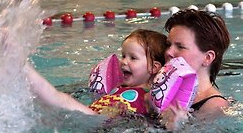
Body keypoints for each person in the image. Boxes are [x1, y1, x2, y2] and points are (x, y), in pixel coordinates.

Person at [26, 29, 167, 117]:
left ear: (154, 68)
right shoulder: (117, 88)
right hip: (93, 120)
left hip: (99, 122)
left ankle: (22, 66)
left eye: (133, 58)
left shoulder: (149, 97)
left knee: (56, 98)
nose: (124, 61)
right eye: (123, 55)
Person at [161, 9, 231, 130]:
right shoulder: (164, 91)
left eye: (180, 47)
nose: (168, 52)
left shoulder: (215, 106)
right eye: (168, 45)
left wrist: (176, 128)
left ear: (207, 58)